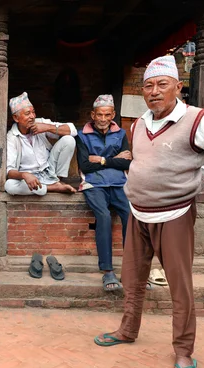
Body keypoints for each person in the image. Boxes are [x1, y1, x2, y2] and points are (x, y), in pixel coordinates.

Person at [94, 55, 204, 368]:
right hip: (138, 213)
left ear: (178, 87)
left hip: (175, 214)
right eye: (148, 85)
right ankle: (127, 330)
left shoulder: (197, 120)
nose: (154, 91)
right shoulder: (139, 124)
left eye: (162, 84)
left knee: (180, 287)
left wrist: (199, 176)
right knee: (132, 280)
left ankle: (184, 351)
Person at [75, 94, 131, 291]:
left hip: (118, 183)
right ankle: (107, 271)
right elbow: (84, 165)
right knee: (104, 216)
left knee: (131, 216)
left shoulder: (121, 133)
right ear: (93, 114)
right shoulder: (82, 135)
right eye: (99, 114)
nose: (103, 119)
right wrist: (114, 159)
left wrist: (101, 160)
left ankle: (131, 269)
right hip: (94, 184)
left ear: (113, 114)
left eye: (107, 114)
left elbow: (127, 162)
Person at [5, 92, 78, 195]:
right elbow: (10, 171)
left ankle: (57, 179)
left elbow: (73, 130)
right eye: (27, 113)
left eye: (33, 112)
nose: (32, 116)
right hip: (32, 179)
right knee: (9, 185)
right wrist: (25, 175)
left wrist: (47, 127)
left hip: (50, 170)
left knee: (69, 140)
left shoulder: (39, 123)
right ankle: (53, 187)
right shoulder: (11, 137)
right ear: (16, 118)